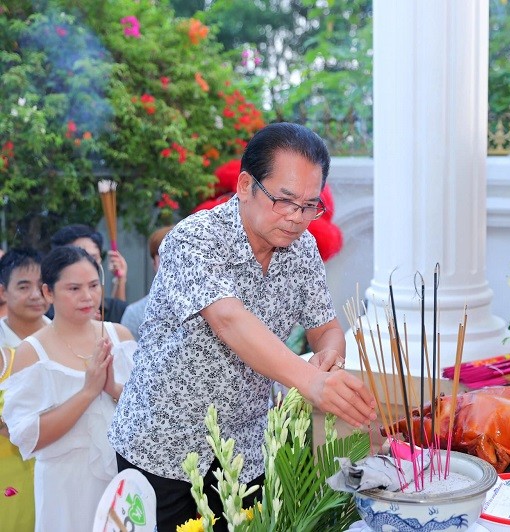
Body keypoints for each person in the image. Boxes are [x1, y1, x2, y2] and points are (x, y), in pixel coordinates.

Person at [109, 123, 377, 531]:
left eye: (309, 205)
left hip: (243, 449)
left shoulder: (302, 248)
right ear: (245, 185)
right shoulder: (193, 240)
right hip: (163, 446)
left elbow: (326, 328)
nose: (296, 218)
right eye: (284, 200)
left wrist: (329, 357)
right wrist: (310, 381)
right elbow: (228, 320)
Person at [0, 246, 135, 532]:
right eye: (74, 288)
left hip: (121, 481)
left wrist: (112, 388)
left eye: (93, 286)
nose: (87, 297)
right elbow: (29, 437)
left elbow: (147, 411)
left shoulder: (120, 337)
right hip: (63, 485)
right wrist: (87, 392)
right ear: (48, 293)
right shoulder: (31, 351)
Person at [0, 248, 50, 532]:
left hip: (60, 470)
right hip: (8, 471)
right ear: (3, 291)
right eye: (23, 286)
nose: (35, 294)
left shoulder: (64, 336)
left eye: (40, 286)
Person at [50, 224, 129, 322]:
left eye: (93, 257)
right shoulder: (46, 316)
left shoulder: (118, 310)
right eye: (77, 258)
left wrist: (120, 280)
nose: (87, 264)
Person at [120, 225, 173, 340]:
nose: (172, 264)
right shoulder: (135, 313)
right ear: (154, 263)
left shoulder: (207, 308)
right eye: (165, 258)